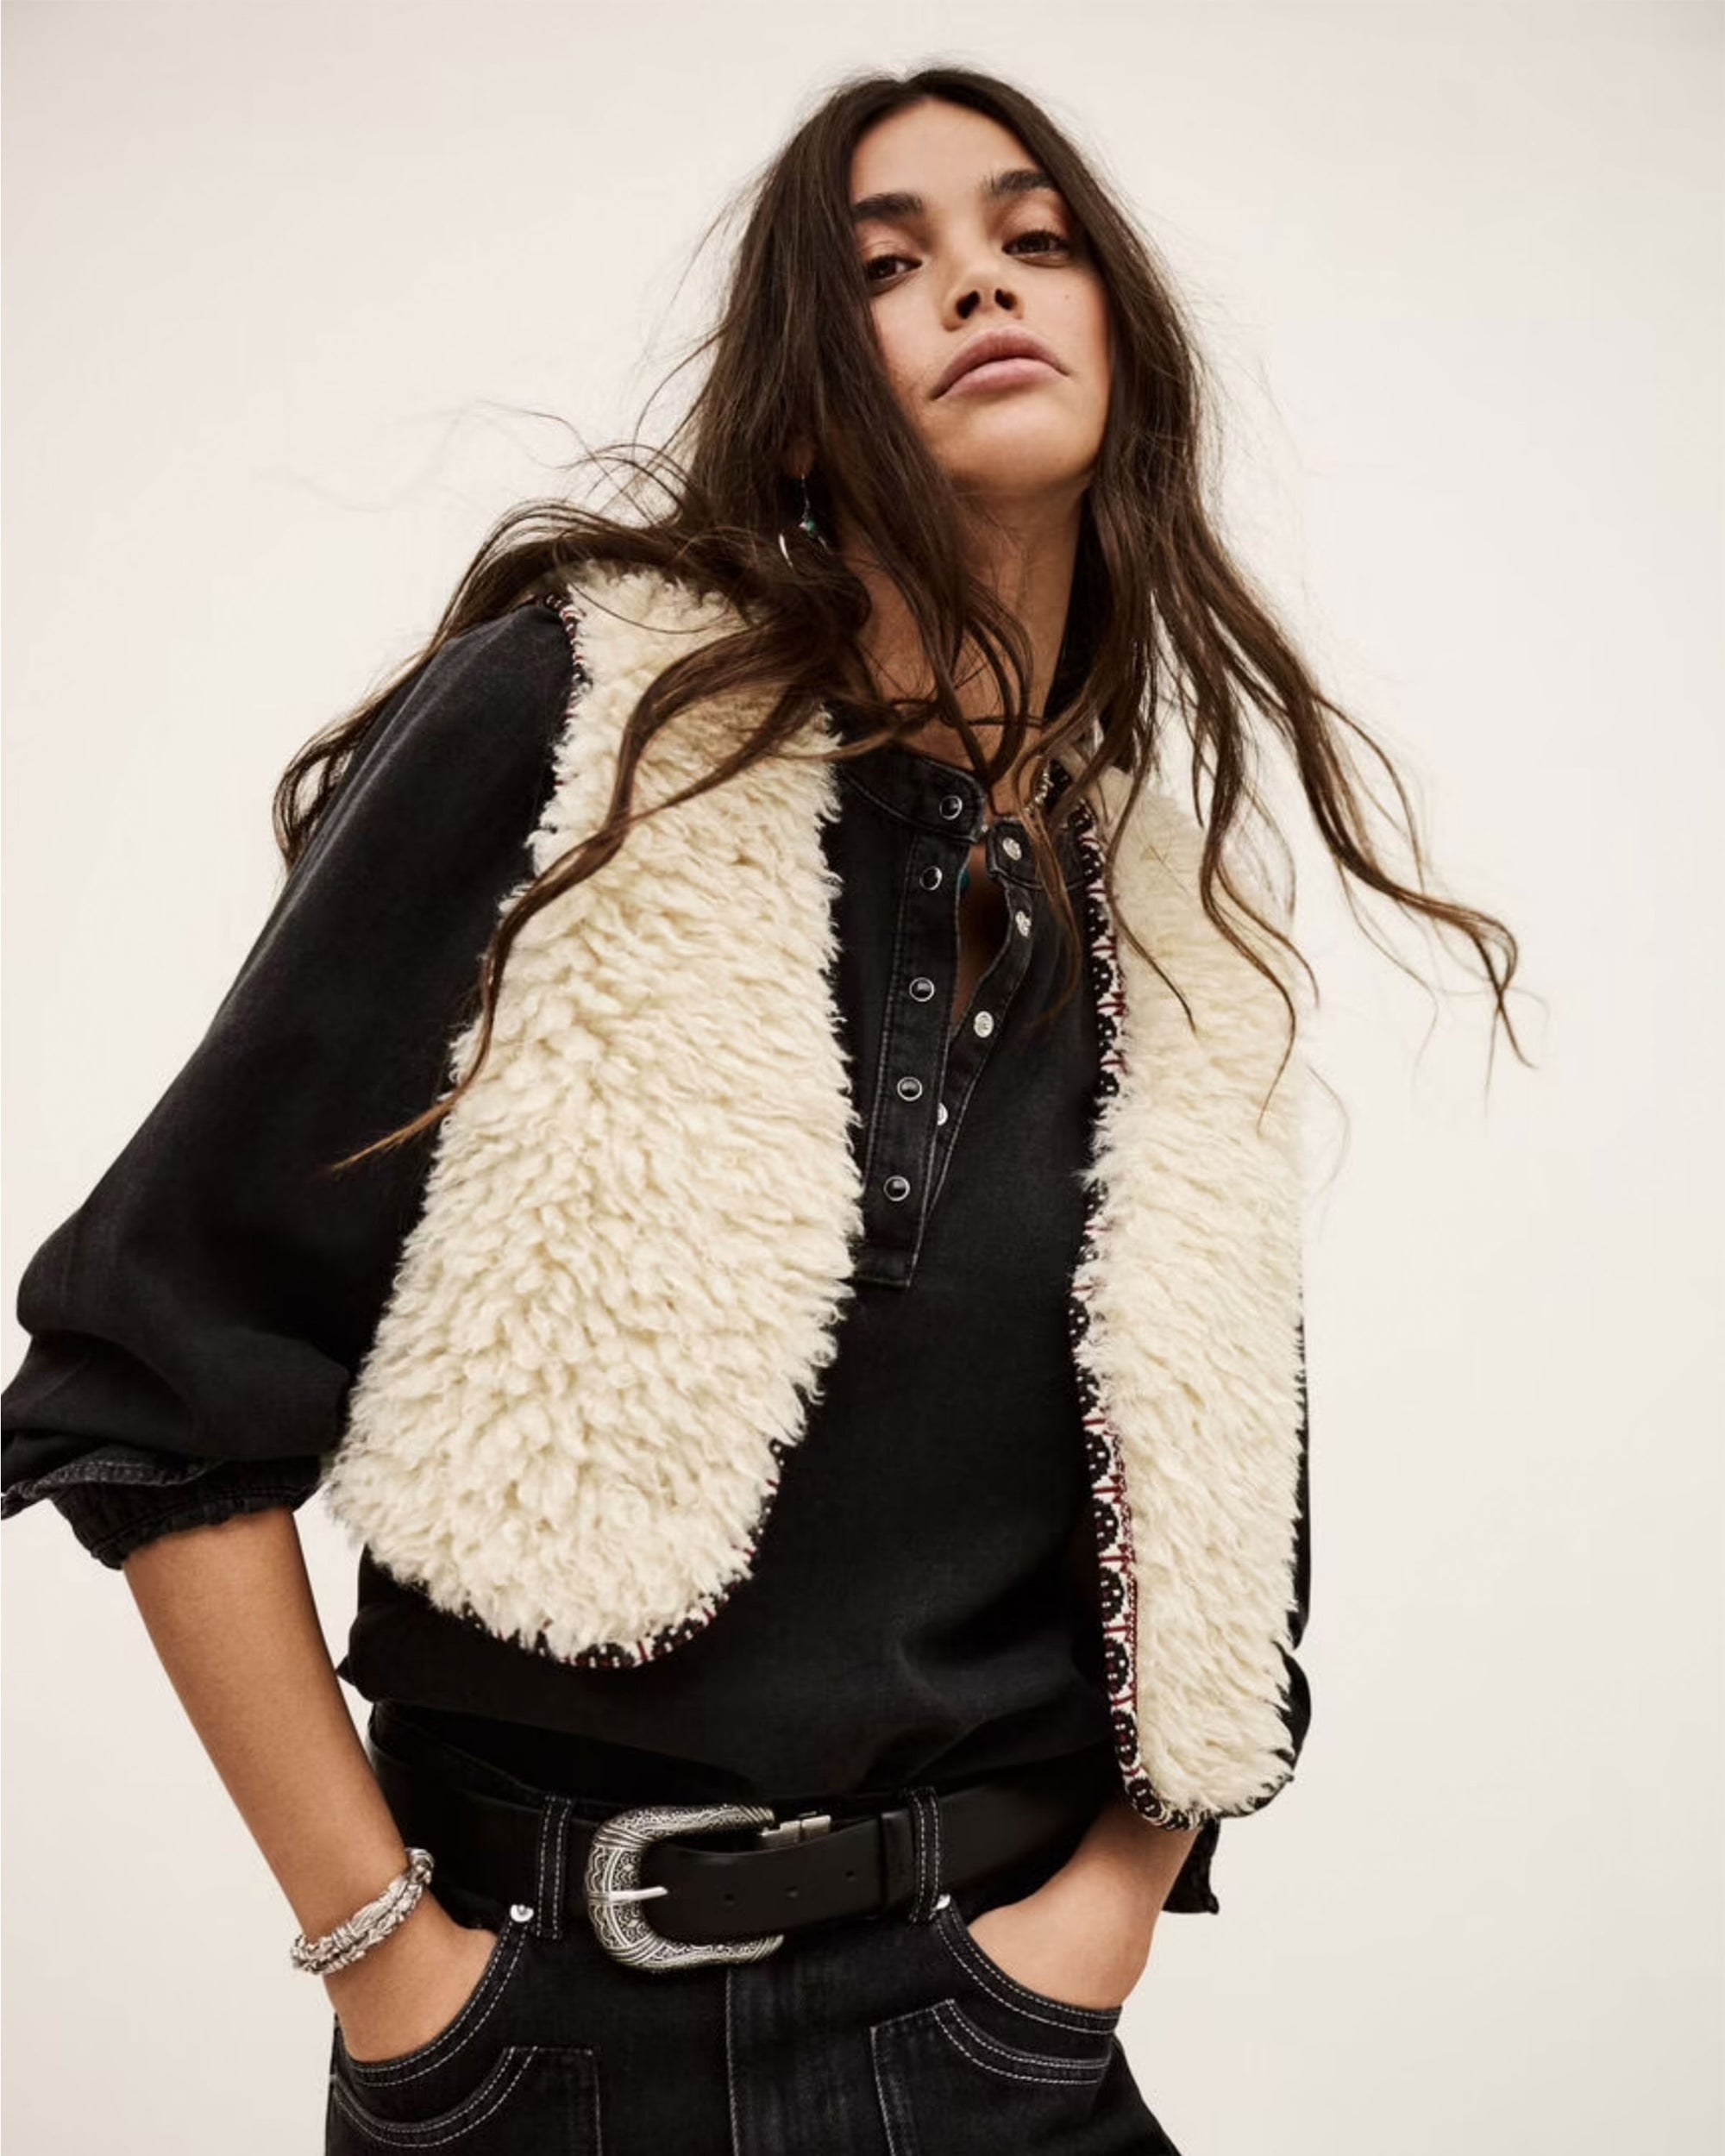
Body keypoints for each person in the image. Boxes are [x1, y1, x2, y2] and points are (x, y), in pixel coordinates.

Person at [0, 65, 1523, 2156]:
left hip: (998, 2033)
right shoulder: (580, 732)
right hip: (532, 2040)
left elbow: (1218, 1508)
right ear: (813, 403)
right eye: (888, 268)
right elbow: (148, 1367)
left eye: (1030, 235)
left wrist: (1106, 1911)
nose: (976, 281)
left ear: (1123, 336)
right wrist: (384, 1961)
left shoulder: (1167, 911)